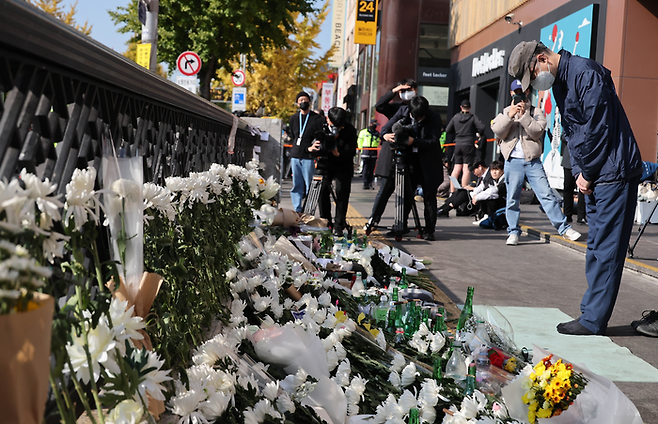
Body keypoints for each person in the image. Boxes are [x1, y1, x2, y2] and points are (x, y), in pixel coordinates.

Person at [508, 40, 642, 335]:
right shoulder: (560, 82)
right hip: (596, 174)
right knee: (595, 246)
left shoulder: (586, 73)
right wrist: (581, 172)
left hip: (613, 173)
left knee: (607, 249)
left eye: (533, 73)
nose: (536, 83)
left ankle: (593, 320)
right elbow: (572, 132)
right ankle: (590, 314)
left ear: (542, 58)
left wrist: (588, 173)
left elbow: (599, 128)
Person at [491, 79, 581, 246]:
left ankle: (564, 228)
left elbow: (537, 132)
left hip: (533, 162)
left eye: (522, 92)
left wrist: (524, 116)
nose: (519, 95)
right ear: (512, 93)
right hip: (512, 162)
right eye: (516, 92)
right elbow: (497, 130)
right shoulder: (505, 111)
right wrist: (511, 115)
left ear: (527, 93)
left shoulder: (536, 111)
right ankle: (513, 232)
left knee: (546, 195)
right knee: (512, 198)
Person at [364, 79, 419, 232]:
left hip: (410, 155)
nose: (406, 92)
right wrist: (395, 90)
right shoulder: (397, 108)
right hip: (392, 153)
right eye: (403, 90)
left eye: (409, 89)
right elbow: (380, 105)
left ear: (415, 90)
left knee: (408, 192)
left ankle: (401, 223)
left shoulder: (419, 107)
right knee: (385, 190)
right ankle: (374, 220)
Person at [312, 107, 357, 236]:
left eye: (341, 126)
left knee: (342, 192)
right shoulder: (319, 125)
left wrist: (338, 153)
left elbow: (351, 151)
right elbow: (306, 141)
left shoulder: (349, 129)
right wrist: (312, 148)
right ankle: (326, 222)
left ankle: (339, 225)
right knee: (323, 192)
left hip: (343, 164)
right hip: (325, 163)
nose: (339, 128)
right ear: (328, 119)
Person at [289, 91, 323, 212]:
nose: (303, 102)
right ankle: (297, 209)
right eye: (301, 101)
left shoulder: (316, 118)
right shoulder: (293, 118)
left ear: (310, 102)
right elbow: (293, 135)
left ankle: (309, 210)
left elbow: (320, 136)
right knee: (296, 184)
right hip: (295, 155)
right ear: (297, 104)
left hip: (309, 156)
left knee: (310, 185)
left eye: (305, 100)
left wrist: (313, 147)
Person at [445, 99, 486, 192]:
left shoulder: (455, 117)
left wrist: (457, 132)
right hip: (468, 144)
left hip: (458, 144)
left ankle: (452, 190)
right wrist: (476, 132)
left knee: (456, 168)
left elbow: (448, 130)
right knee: (466, 168)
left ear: (461, 107)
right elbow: (482, 127)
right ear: (470, 107)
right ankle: (463, 189)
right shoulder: (472, 117)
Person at [561, 133, 586, 225]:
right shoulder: (570, 122)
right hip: (569, 160)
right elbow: (563, 137)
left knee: (583, 189)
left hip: (583, 160)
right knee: (568, 188)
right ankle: (567, 215)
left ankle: (581, 216)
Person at [358, 119, 380, 189]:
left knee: (371, 169)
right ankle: (365, 183)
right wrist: (361, 149)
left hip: (373, 151)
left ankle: (370, 183)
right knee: (365, 168)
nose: (375, 127)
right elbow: (360, 140)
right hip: (366, 150)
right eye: (374, 125)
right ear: (371, 124)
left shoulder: (377, 133)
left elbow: (377, 142)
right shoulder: (363, 132)